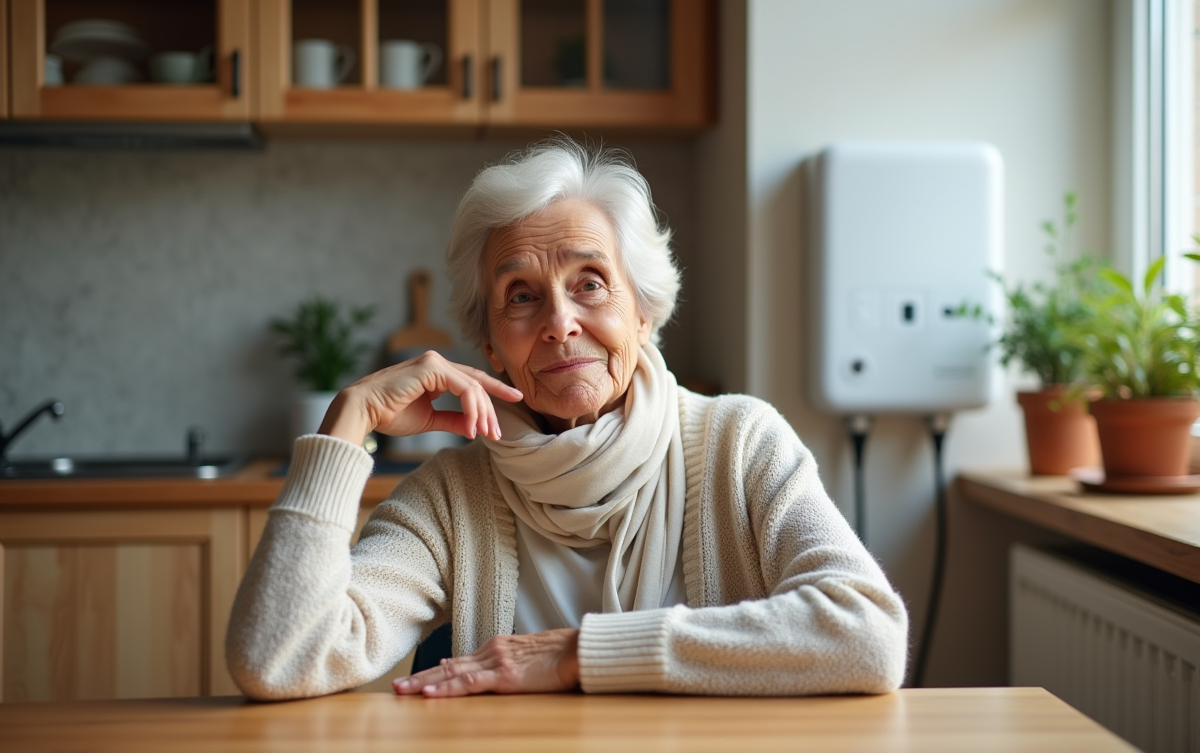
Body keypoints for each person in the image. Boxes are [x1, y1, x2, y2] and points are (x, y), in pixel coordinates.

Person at [226, 138, 908, 700]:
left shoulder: (740, 443)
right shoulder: (452, 495)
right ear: (490, 345)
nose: (559, 323)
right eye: (520, 295)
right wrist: (348, 423)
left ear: (642, 315)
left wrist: (582, 652)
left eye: (589, 283)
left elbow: (868, 635)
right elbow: (279, 660)